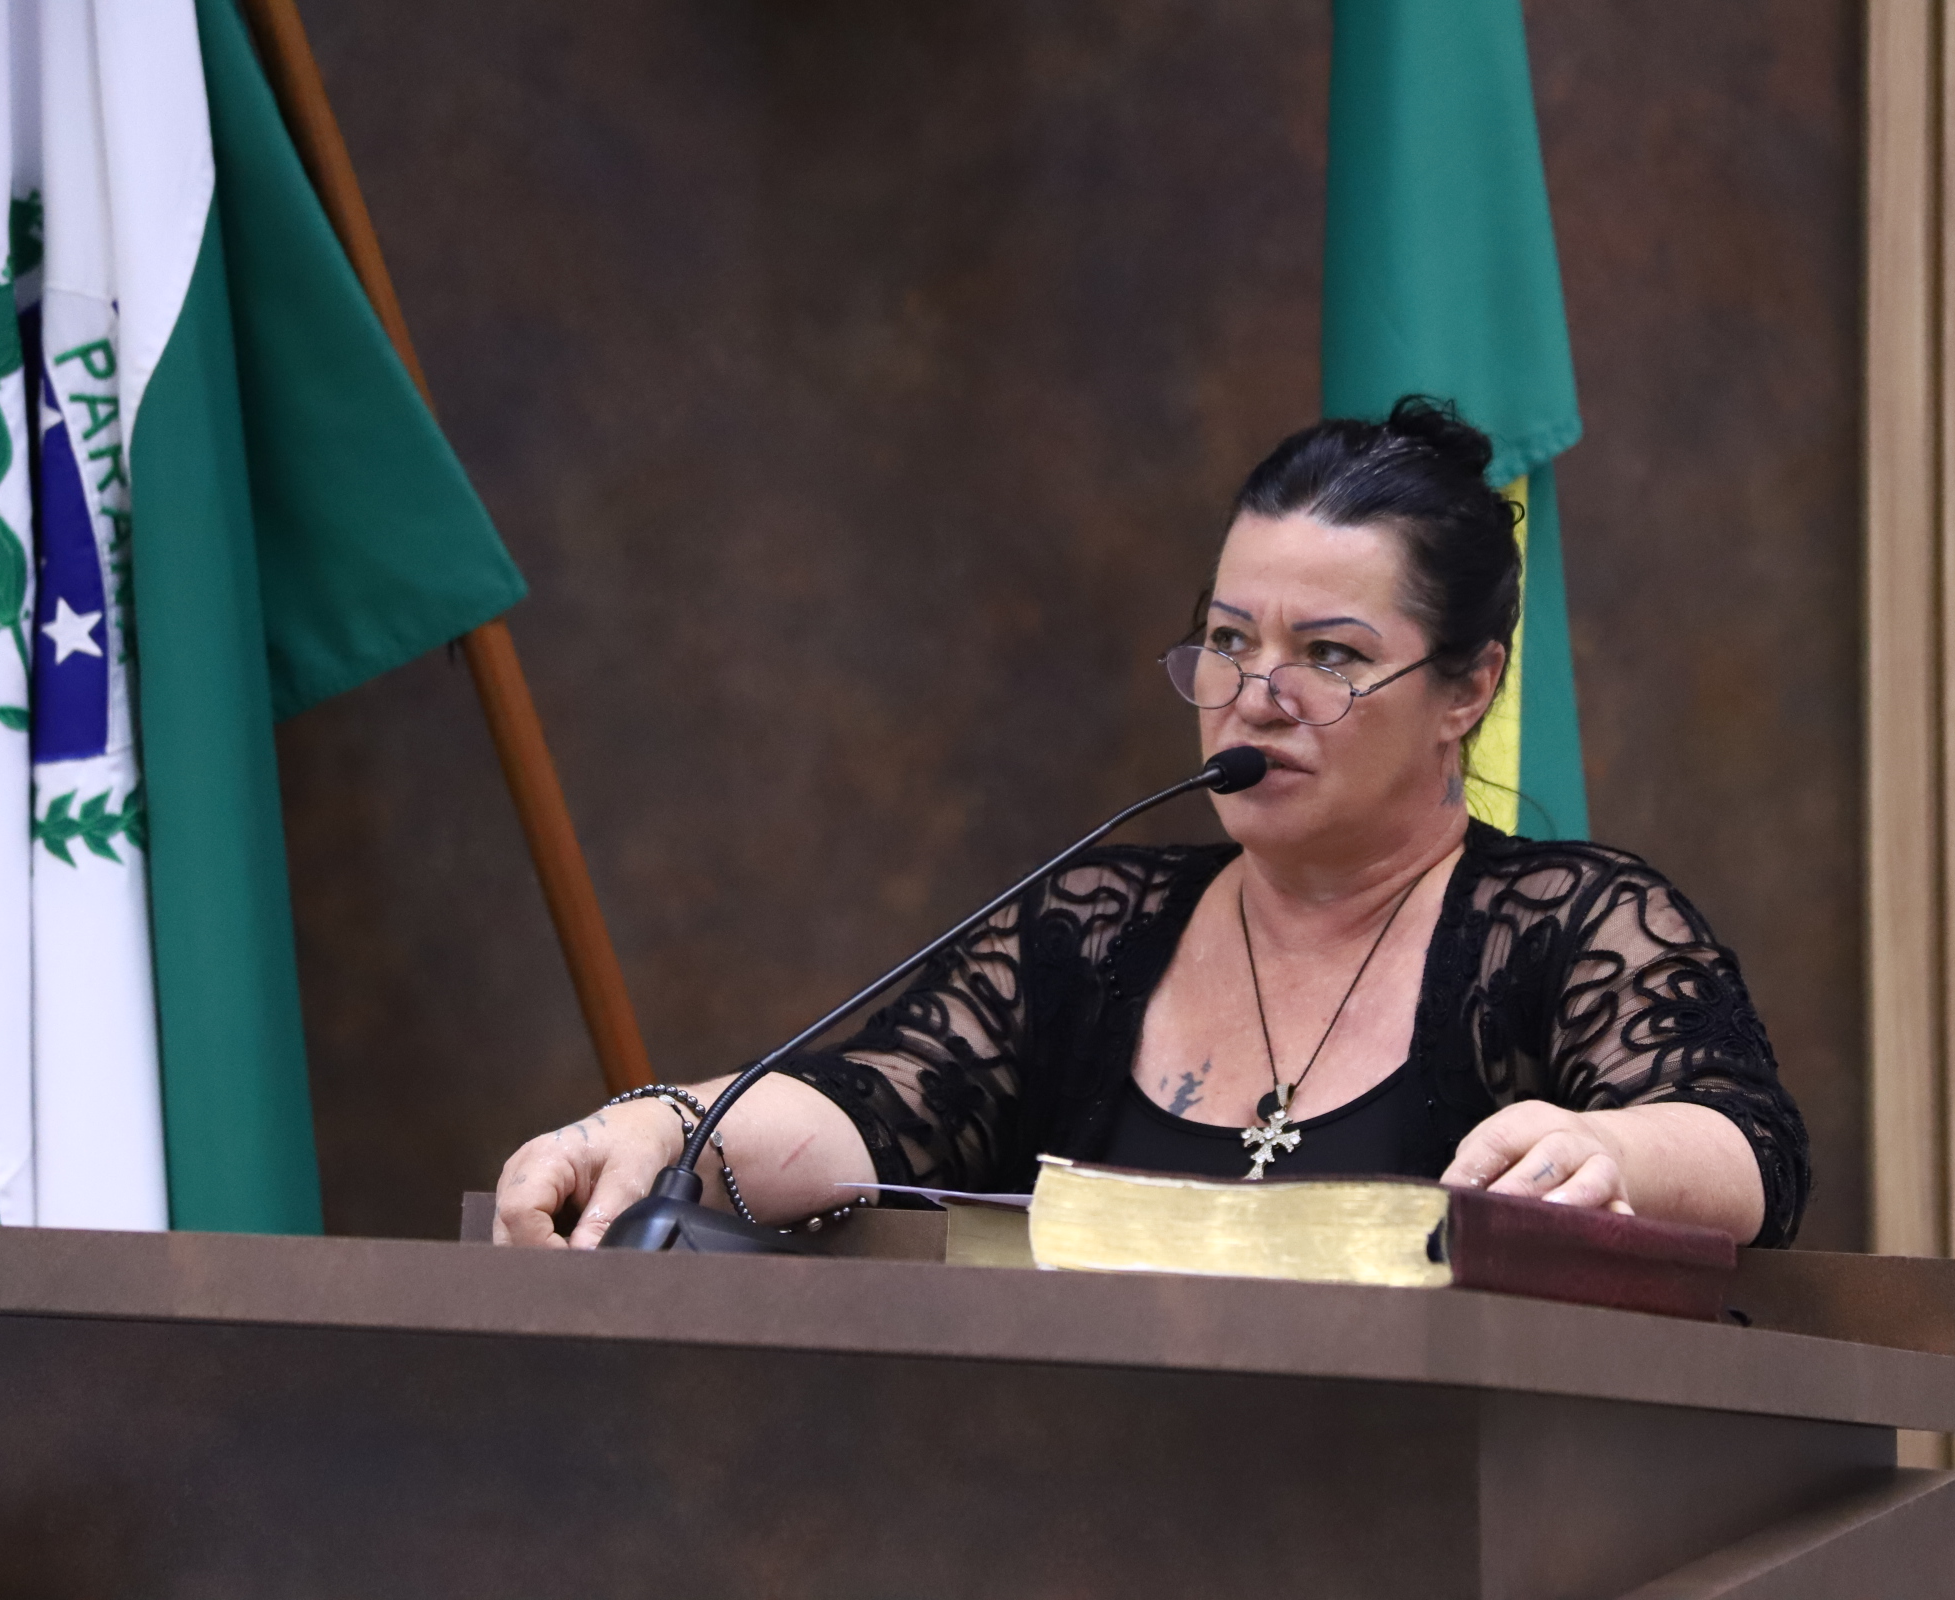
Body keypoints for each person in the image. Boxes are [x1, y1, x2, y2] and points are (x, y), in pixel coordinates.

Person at [494, 398, 1809, 1250]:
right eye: (1229, 640)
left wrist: (1606, 1148)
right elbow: (869, 1113)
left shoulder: (1574, 924)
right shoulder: (1094, 928)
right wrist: (660, 1127)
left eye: (1332, 655)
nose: (1258, 694)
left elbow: (1747, 1147)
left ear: (1467, 688)